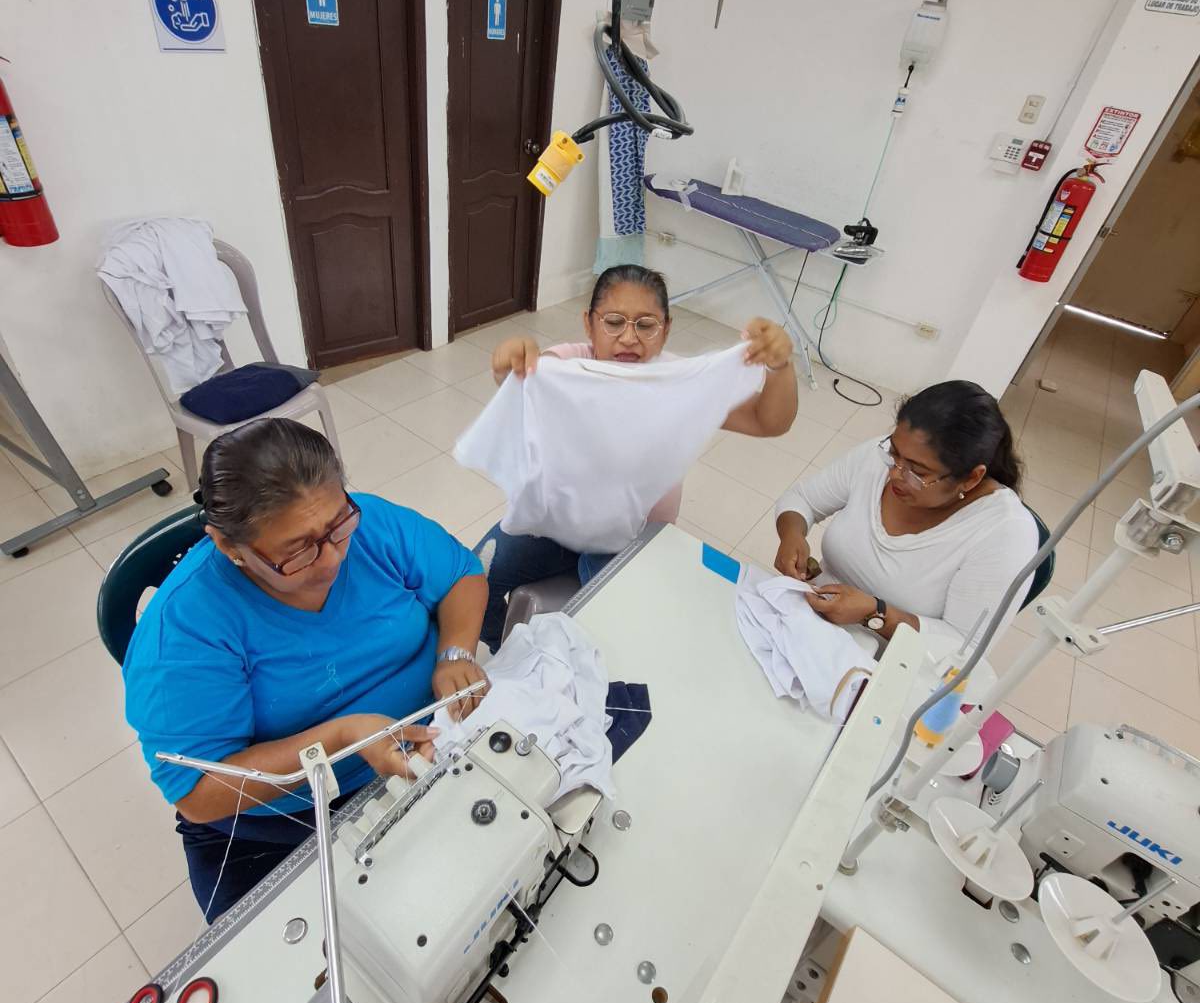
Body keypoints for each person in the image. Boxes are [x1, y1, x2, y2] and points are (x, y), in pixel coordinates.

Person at [124, 419, 488, 921]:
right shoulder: (185, 630)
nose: (332, 557)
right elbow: (198, 794)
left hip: (437, 745)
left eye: (339, 525)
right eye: (298, 550)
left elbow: (461, 574)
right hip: (283, 822)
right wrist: (341, 738)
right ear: (229, 547)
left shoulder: (367, 526)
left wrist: (455, 653)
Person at [475, 264, 799, 649]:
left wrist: (780, 365)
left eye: (646, 325)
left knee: (613, 633)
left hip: (633, 538)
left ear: (667, 328)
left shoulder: (680, 384)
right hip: (555, 522)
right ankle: (504, 651)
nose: (629, 338)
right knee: (472, 576)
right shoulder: (567, 366)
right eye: (613, 322)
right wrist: (511, 362)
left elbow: (768, 421)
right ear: (589, 323)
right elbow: (523, 381)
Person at [774, 380, 1038, 650]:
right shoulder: (881, 458)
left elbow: (964, 648)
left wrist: (875, 614)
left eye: (918, 472)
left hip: (885, 660)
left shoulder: (1005, 533)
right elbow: (802, 499)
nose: (895, 474)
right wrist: (792, 535)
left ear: (971, 478)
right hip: (807, 621)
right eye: (894, 453)